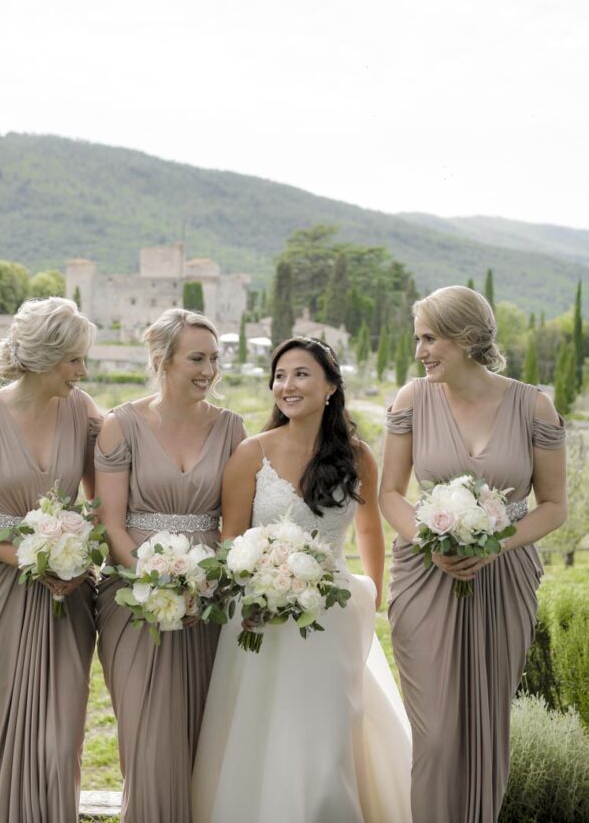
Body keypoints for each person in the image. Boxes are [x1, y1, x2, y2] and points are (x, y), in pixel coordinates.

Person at [192, 336, 412, 823]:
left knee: (326, 729)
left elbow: (370, 528)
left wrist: (371, 595)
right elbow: (230, 537)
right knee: (260, 726)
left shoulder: (358, 457)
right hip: (257, 617)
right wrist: (252, 588)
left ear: (331, 385)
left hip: (329, 617)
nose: (286, 385)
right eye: (280, 375)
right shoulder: (252, 453)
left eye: (301, 374)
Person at [379, 285, 567, 823]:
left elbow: (554, 507)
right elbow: (390, 493)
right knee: (436, 734)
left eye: (430, 338)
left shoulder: (533, 405)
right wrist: (430, 543)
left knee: (487, 726)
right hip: (424, 576)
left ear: (465, 338)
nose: (420, 352)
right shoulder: (411, 398)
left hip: (503, 578)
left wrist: (496, 547)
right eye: (419, 339)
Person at [0, 296, 102, 823]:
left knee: (59, 740)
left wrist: (75, 551)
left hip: (67, 591)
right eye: (73, 359)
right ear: (43, 356)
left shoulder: (85, 410)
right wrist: (26, 557)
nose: (82, 370)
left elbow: (101, 503)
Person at [95, 307, 246, 823]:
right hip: (132, 600)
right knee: (148, 734)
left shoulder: (232, 429)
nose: (208, 370)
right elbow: (111, 524)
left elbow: (234, 523)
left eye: (214, 359)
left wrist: (204, 586)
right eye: (196, 358)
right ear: (163, 360)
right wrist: (154, 582)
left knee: (204, 731)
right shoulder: (121, 425)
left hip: (209, 600)